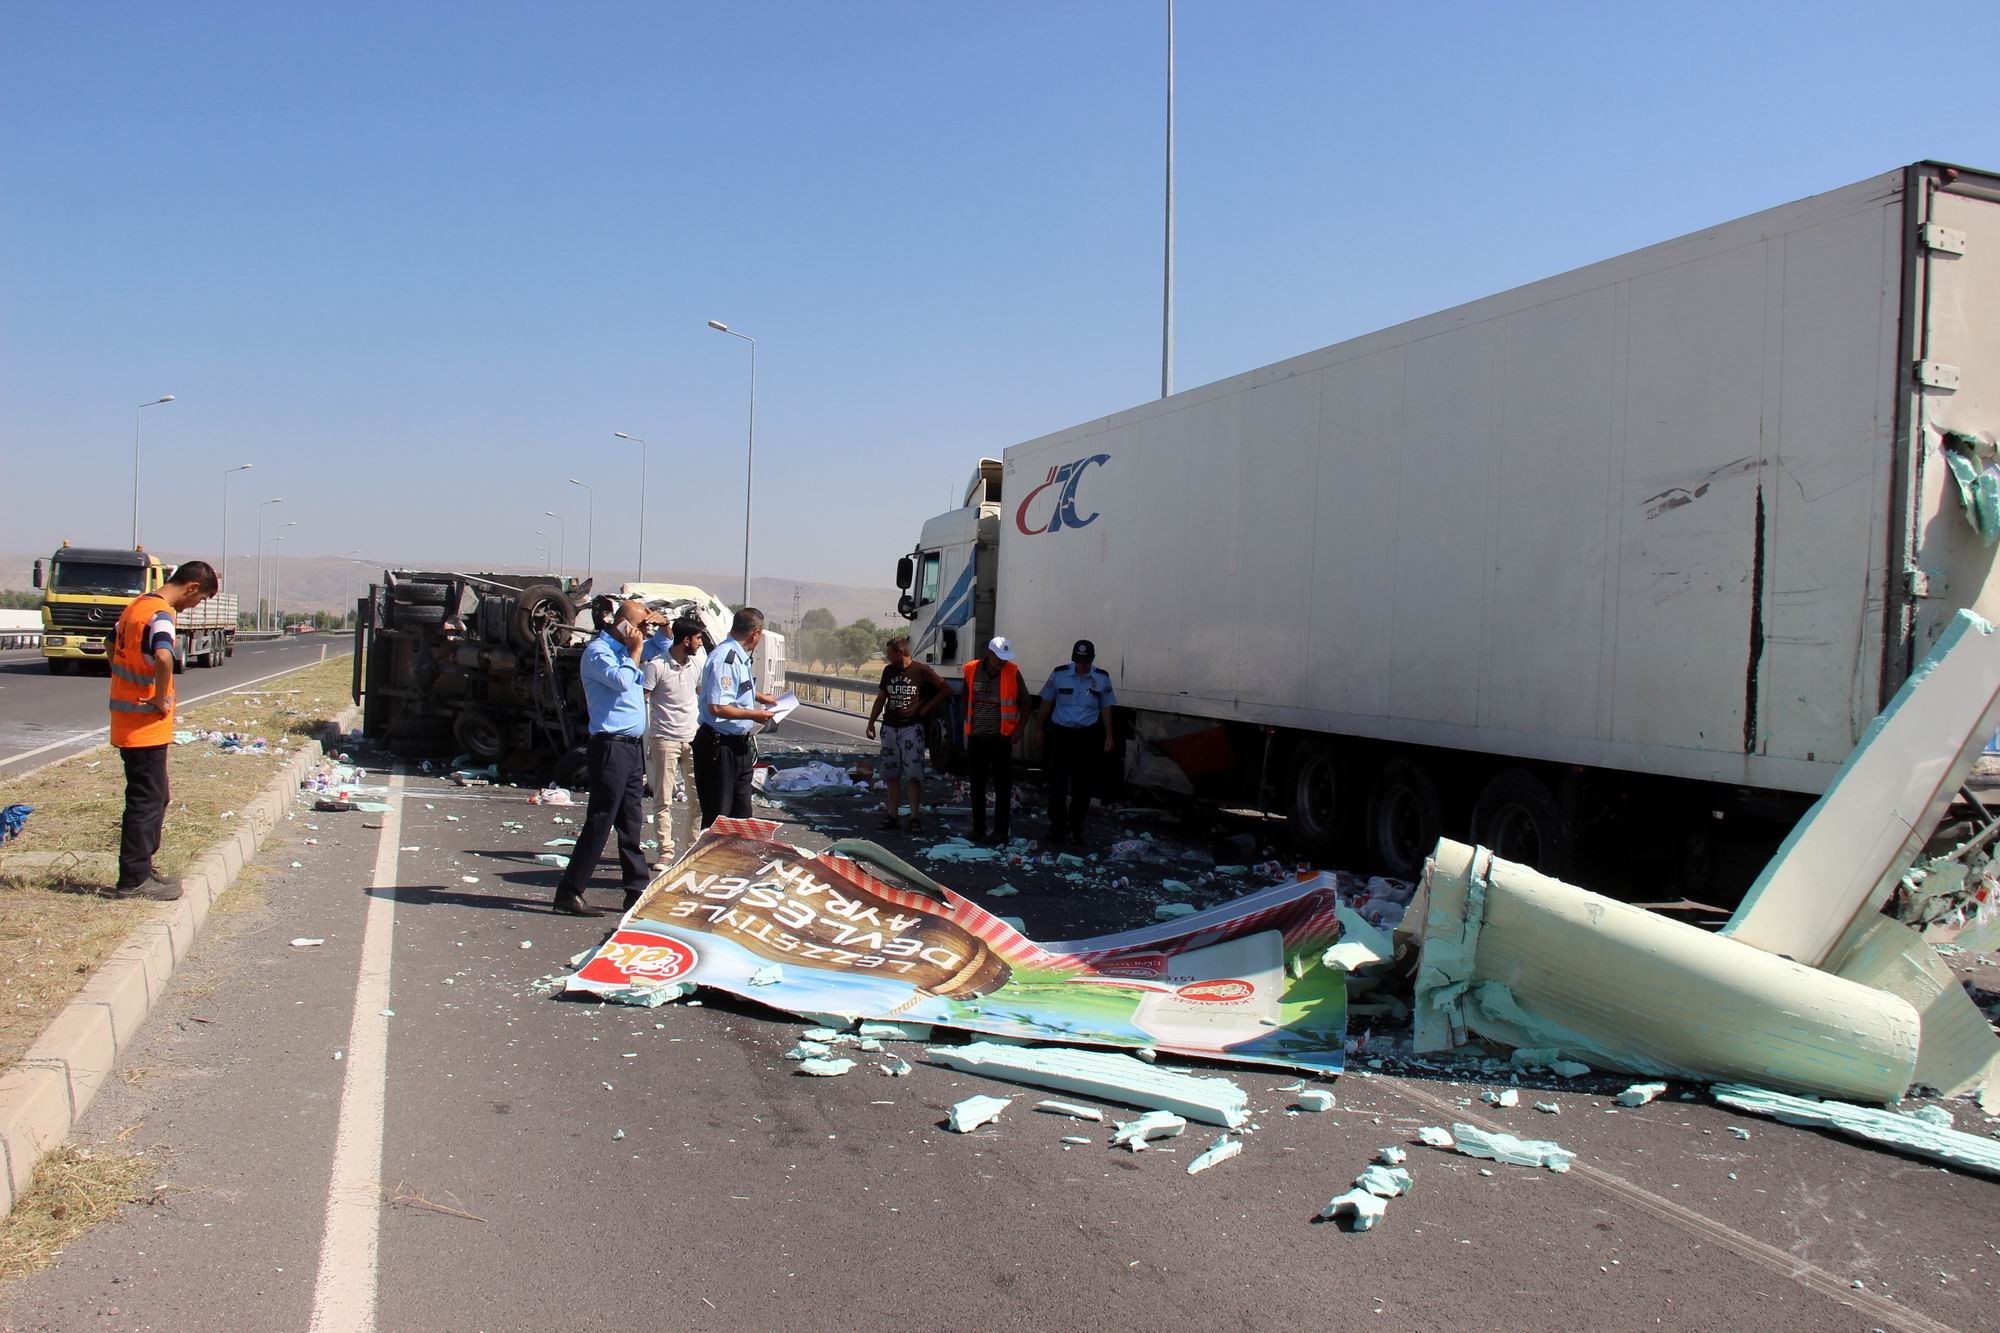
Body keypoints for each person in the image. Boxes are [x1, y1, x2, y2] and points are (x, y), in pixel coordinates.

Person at [108, 560, 218, 901]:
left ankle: (143, 869)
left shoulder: (136, 607)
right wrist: (157, 696)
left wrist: (123, 677)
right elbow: (164, 657)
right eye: (198, 600)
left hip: (129, 720)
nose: (193, 607)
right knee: (146, 801)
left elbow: (110, 643)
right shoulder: (161, 614)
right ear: (191, 588)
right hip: (145, 725)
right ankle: (134, 879)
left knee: (156, 796)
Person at [553, 596, 668, 917]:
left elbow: (661, 647)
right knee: (601, 820)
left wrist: (664, 625)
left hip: (631, 749)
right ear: (623, 626)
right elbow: (619, 681)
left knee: (631, 823)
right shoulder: (599, 653)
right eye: (641, 626)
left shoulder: (626, 649)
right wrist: (633, 651)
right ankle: (570, 891)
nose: (645, 633)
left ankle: (635, 891)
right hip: (609, 746)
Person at [694, 607, 778, 827]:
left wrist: (761, 697)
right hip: (719, 746)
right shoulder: (726, 658)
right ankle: (711, 861)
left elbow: (739, 690)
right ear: (755, 633)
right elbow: (717, 707)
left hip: (738, 745)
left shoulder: (739, 658)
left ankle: (735, 861)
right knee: (718, 817)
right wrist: (755, 714)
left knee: (741, 815)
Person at [1034, 638, 1117, 846]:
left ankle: (1077, 828)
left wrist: (1109, 735)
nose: (1081, 666)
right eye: (1078, 661)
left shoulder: (1101, 678)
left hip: (1087, 737)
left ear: (1092, 660)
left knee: (1082, 787)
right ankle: (1057, 828)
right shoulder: (1060, 674)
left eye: (1085, 662)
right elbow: (1046, 701)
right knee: (1058, 784)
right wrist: (1039, 728)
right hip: (1061, 735)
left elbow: (1106, 708)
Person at [865, 634, 946, 833]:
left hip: (912, 729)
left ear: (901, 652)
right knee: (891, 775)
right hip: (890, 728)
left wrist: (926, 709)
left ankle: (914, 817)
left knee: (914, 776)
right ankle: (892, 815)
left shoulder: (921, 670)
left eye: (890, 653)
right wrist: (871, 722)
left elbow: (945, 690)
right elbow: (881, 698)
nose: (887, 657)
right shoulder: (889, 671)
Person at [643, 613, 706, 870]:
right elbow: (643, 699)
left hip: (691, 740)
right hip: (664, 739)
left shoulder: (697, 665)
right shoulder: (656, 666)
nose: (701, 643)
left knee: (698, 799)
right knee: (663, 800)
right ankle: (665, 852)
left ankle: (692, 849)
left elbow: (702, 695)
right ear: (686, 639)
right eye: (699, 638)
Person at [962, 635, 1025, 845]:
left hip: (1000, 739)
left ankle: (1000, 831)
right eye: (999, 658)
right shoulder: (971, 670)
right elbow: (965, 697)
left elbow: (1025, 703)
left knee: (1002, 787)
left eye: (1005, 659)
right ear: (989, 655)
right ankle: (978, 829)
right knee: (977, 785)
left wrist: (1019, 729)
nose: (1002, 662)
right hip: (977, 737)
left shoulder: (1012, 672)